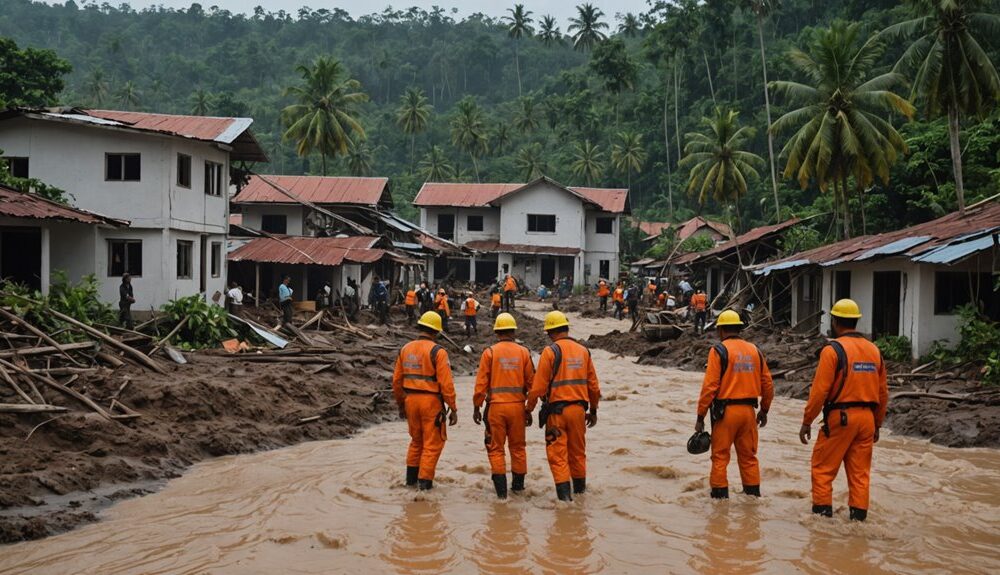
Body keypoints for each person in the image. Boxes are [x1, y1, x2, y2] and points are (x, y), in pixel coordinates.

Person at [799, 299, 888, 522]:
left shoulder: (832, 350)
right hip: (867, 419)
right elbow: (883, 393)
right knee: (860, 475)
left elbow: (819, 392)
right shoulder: (874, 350)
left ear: (835, 321)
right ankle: (858, 522)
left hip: (841, 418)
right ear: (855, 321)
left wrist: (807, 421)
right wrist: (877, 423)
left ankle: (822, 522)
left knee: (822, 470)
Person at [694, 310, 774, 499]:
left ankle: (720, 502)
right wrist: (764, 410)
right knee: (749, 458)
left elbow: (710, 387)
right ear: (739, 328)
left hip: (726, 414)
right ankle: (752, 498)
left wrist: (700, 416)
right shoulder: (755, 350)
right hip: (748, 413)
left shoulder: (719, 351)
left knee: (720, 457)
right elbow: (768, 385)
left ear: (721, 330)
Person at [526, 311, 601, 501]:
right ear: (566, 328)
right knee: (578, 454)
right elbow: (593, 387)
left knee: (558, 457)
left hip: (557, 414)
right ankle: (580, 495)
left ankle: (565, 503)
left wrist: (528, 409)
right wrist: (593, 411)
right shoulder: (583, 351)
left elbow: (537, 388)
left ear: (550, 332)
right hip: (578, 412)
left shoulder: (550, 352)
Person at [392, 311, 458, 490]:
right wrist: (453, 408)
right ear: (436, 331)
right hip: (431, 403)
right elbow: (446, 384)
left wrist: (400, 404)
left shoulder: (405, 349)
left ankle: (410, 482)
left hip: (410, 401)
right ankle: (424, 487)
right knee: (432, 444)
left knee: (416, 441)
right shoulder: (438, 352)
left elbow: (396, 382)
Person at [473, 313, 535, 499]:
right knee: (518, 448)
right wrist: (529, 409)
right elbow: (533, 384)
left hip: (496, 409)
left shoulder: (490, 353)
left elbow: (480, 385)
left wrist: (477, 406)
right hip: (517, 408)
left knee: (496, 448)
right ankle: (518, 488)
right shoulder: (524, 352)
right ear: (514, 331)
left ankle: (501, 495)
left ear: (497, 332)